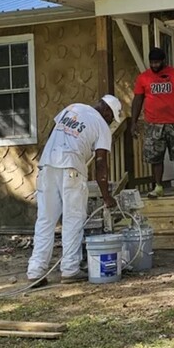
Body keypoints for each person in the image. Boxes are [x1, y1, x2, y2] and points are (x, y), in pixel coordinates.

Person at [26, 95, 123, 284]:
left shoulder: (73, 108)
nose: (110, 123)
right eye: (112, 118)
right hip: (72, 168)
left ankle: (35, 271)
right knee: (73, 218)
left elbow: (53, 133)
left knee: (45, 219)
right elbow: (101, 162)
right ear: (107, 111)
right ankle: (70, 269)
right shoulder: (102, 126)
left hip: (47, 165)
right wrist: (106, 196)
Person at [133, 46, 174, 197]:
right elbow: (138, 100)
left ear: (163, 61)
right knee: (155, 156)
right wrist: (133, 121)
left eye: (157, 62)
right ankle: (158, 186)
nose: (154, 65)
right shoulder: (143, 78)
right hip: (153, 123)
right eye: (152, 62)